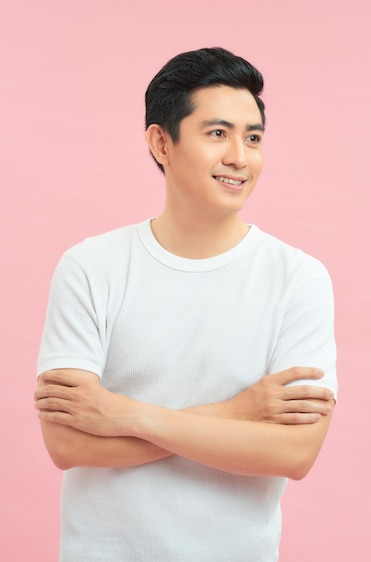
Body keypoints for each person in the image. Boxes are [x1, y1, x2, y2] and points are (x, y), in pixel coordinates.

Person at [35, 47, 337, 562]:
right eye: (217, 133)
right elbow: (68, 445)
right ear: (161, 142)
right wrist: (238, 413)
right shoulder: (90, 266)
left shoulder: (298, 278)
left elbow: (294, 451)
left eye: (254, 138)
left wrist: (122, 415)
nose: (240, 157)